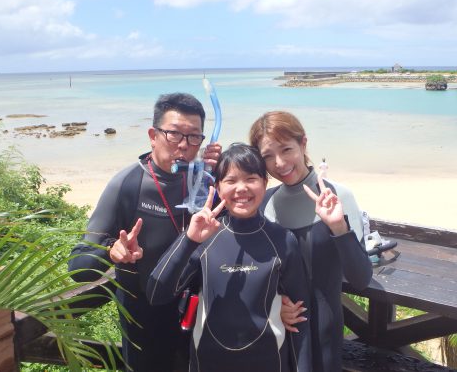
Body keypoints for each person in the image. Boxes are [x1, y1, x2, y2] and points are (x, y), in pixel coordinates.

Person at [68, 93, 222, 372]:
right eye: (174, 134)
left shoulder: (207, 182)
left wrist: (222, 171)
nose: (183, 145)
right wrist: (111, 251)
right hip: (143, 329)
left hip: (199, 322)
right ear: (153, 136)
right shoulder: (128, 185)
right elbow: (78, 267)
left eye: (193, 137)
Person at [147, 143, 312, 372]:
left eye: (251, 179)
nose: (241, 188)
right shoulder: (204, 238)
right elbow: (156, 293)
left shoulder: (282, 240)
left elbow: (300, 321)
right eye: (231, 180)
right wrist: (189, 240)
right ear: (217, 187)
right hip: (208, 362)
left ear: (265, 183)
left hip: (269, 362)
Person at [249, 111, 373, 372]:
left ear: (303, 143)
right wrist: (274, 305)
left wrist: (338, 227)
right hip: (276, 333)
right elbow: (257, 274)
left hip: (323, 336)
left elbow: (360, 278)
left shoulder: (338, 196)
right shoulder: (264, 203)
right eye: (267, 156)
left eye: (286, 149)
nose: (279, 163)